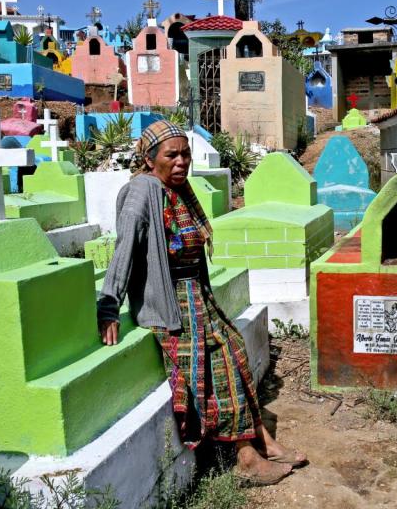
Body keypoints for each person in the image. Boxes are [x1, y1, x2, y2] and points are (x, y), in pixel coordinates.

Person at [97, 121, 305, 485]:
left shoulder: (179, 190)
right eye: (171, 155)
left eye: (185, 154)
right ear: (149, 160)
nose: (181, 162)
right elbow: (125, 245)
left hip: (197, 295)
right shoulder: (143, 192)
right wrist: (109, 304)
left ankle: (263, 440)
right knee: (220, 363)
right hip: (169, 303)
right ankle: (246, 458)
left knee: (236, 349)